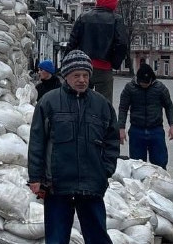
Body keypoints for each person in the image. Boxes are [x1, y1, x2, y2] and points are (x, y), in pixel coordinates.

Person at [28, 50, 119, 244]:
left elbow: (112, 140)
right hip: (58, 185)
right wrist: (35, 177)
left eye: (85, 75)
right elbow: (37, 141)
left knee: (98, 237)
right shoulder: (49, 102)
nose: (82, 80)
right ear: (66, 76)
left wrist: (106, 169)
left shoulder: (101, 105)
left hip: (91, 183)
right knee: (56, 239)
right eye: (76, 75)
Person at [66, 0, 128, 102]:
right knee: (104, 103)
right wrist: (115, 63)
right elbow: (122, 44)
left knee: (78, 99)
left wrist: (67, 63)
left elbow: (72, 41)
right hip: (105, 67)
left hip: (83, 66)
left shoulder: (83, 17)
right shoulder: (116, 19)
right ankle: (101, 119)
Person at [118, 63, 173, 169]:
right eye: (142, 83)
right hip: (137, 130)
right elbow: (123, 108)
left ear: (152, 79)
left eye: (147, 83)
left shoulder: (160, 88)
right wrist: (121, 128)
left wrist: (172, 125)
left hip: (156, 130)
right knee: (137, 166)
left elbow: (169, 106)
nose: (144, 85)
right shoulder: (129, 88)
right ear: (138, 79)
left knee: (160, 164)